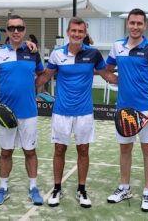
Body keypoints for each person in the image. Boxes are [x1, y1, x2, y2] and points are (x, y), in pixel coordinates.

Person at [36, 17, 116, 208]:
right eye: (74, 31)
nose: (77, 34)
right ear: (68, 32)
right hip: (61, 112)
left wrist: (130, 82)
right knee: (59, 150)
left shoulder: (94, 54)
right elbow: (45, 76)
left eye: (80, 31)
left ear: (85, 33)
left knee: (83, 150)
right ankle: (57, 188)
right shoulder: (57, 54)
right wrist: (29, 90)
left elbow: (107, 75)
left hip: (84, 112)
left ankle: (81, 189)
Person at [105, 8, 148, 212]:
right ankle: (125, 188)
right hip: (124, 109)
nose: (136, 26)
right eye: (132, 23)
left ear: (144, 25)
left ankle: (147, 192)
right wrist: (113, 79)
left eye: (140, 23)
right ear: (127, 24)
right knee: (125, 149)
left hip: (146, 110)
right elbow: (107, 69)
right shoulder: (117, 47)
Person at [0, 15, 45, 206]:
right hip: (5, 114)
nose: (16, 31)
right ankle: (3, 188)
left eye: (19, 28)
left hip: (29, 113)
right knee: (5, 152)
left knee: (30, 151)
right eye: (12, 28)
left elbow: (42, 75)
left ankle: (33, 187)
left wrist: (34, 90)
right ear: (7, 31)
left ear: (24, 30)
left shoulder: (33, 52)